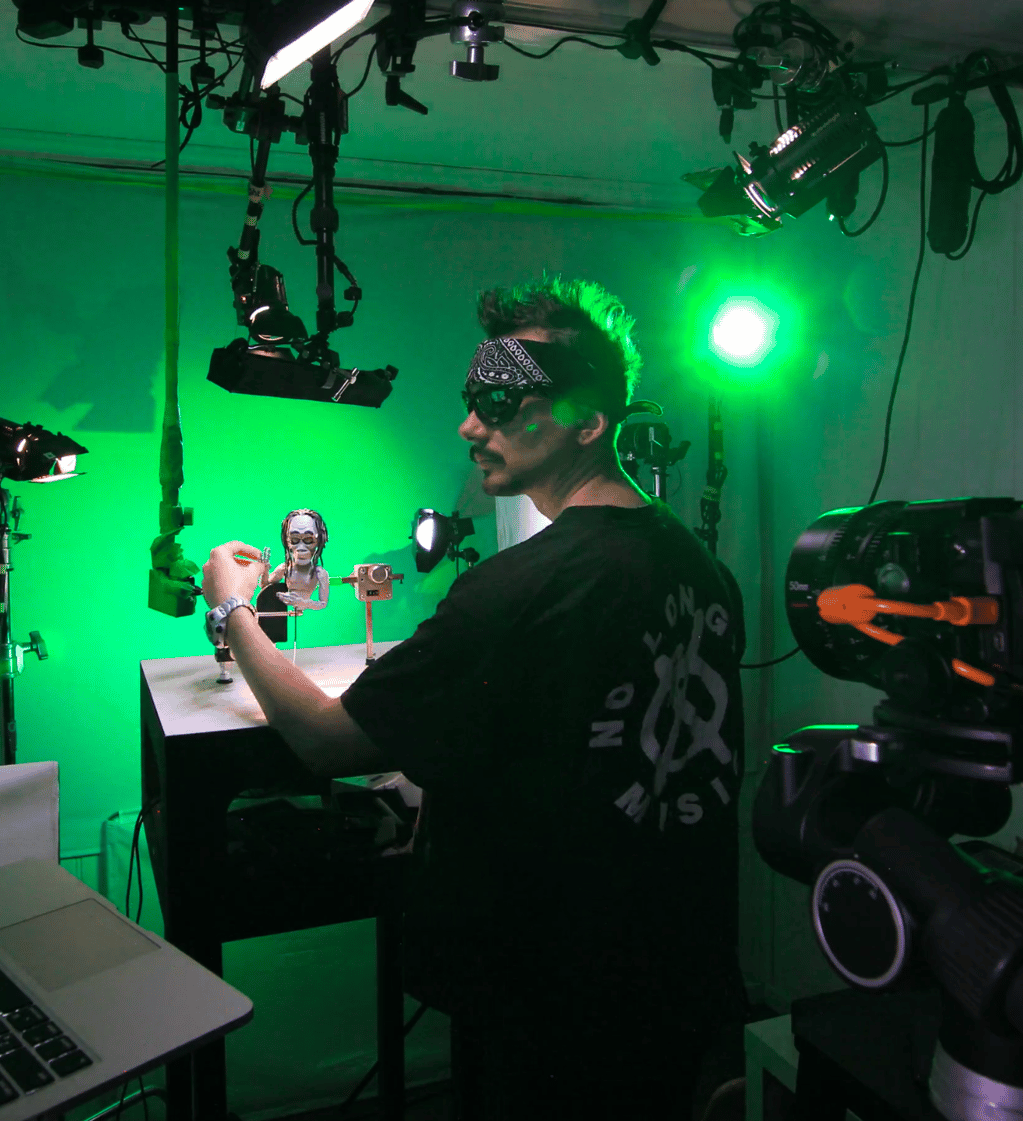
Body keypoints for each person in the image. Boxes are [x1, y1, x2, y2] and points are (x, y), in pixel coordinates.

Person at [202, 277, 747, 1119]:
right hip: (673, 978)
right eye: (471, 400)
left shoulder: (514, 590)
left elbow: (327, 740)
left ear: (588, 421)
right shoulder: (703, 570)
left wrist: (233, 606)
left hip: (548, 998)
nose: (468, 425)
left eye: (501, 402)